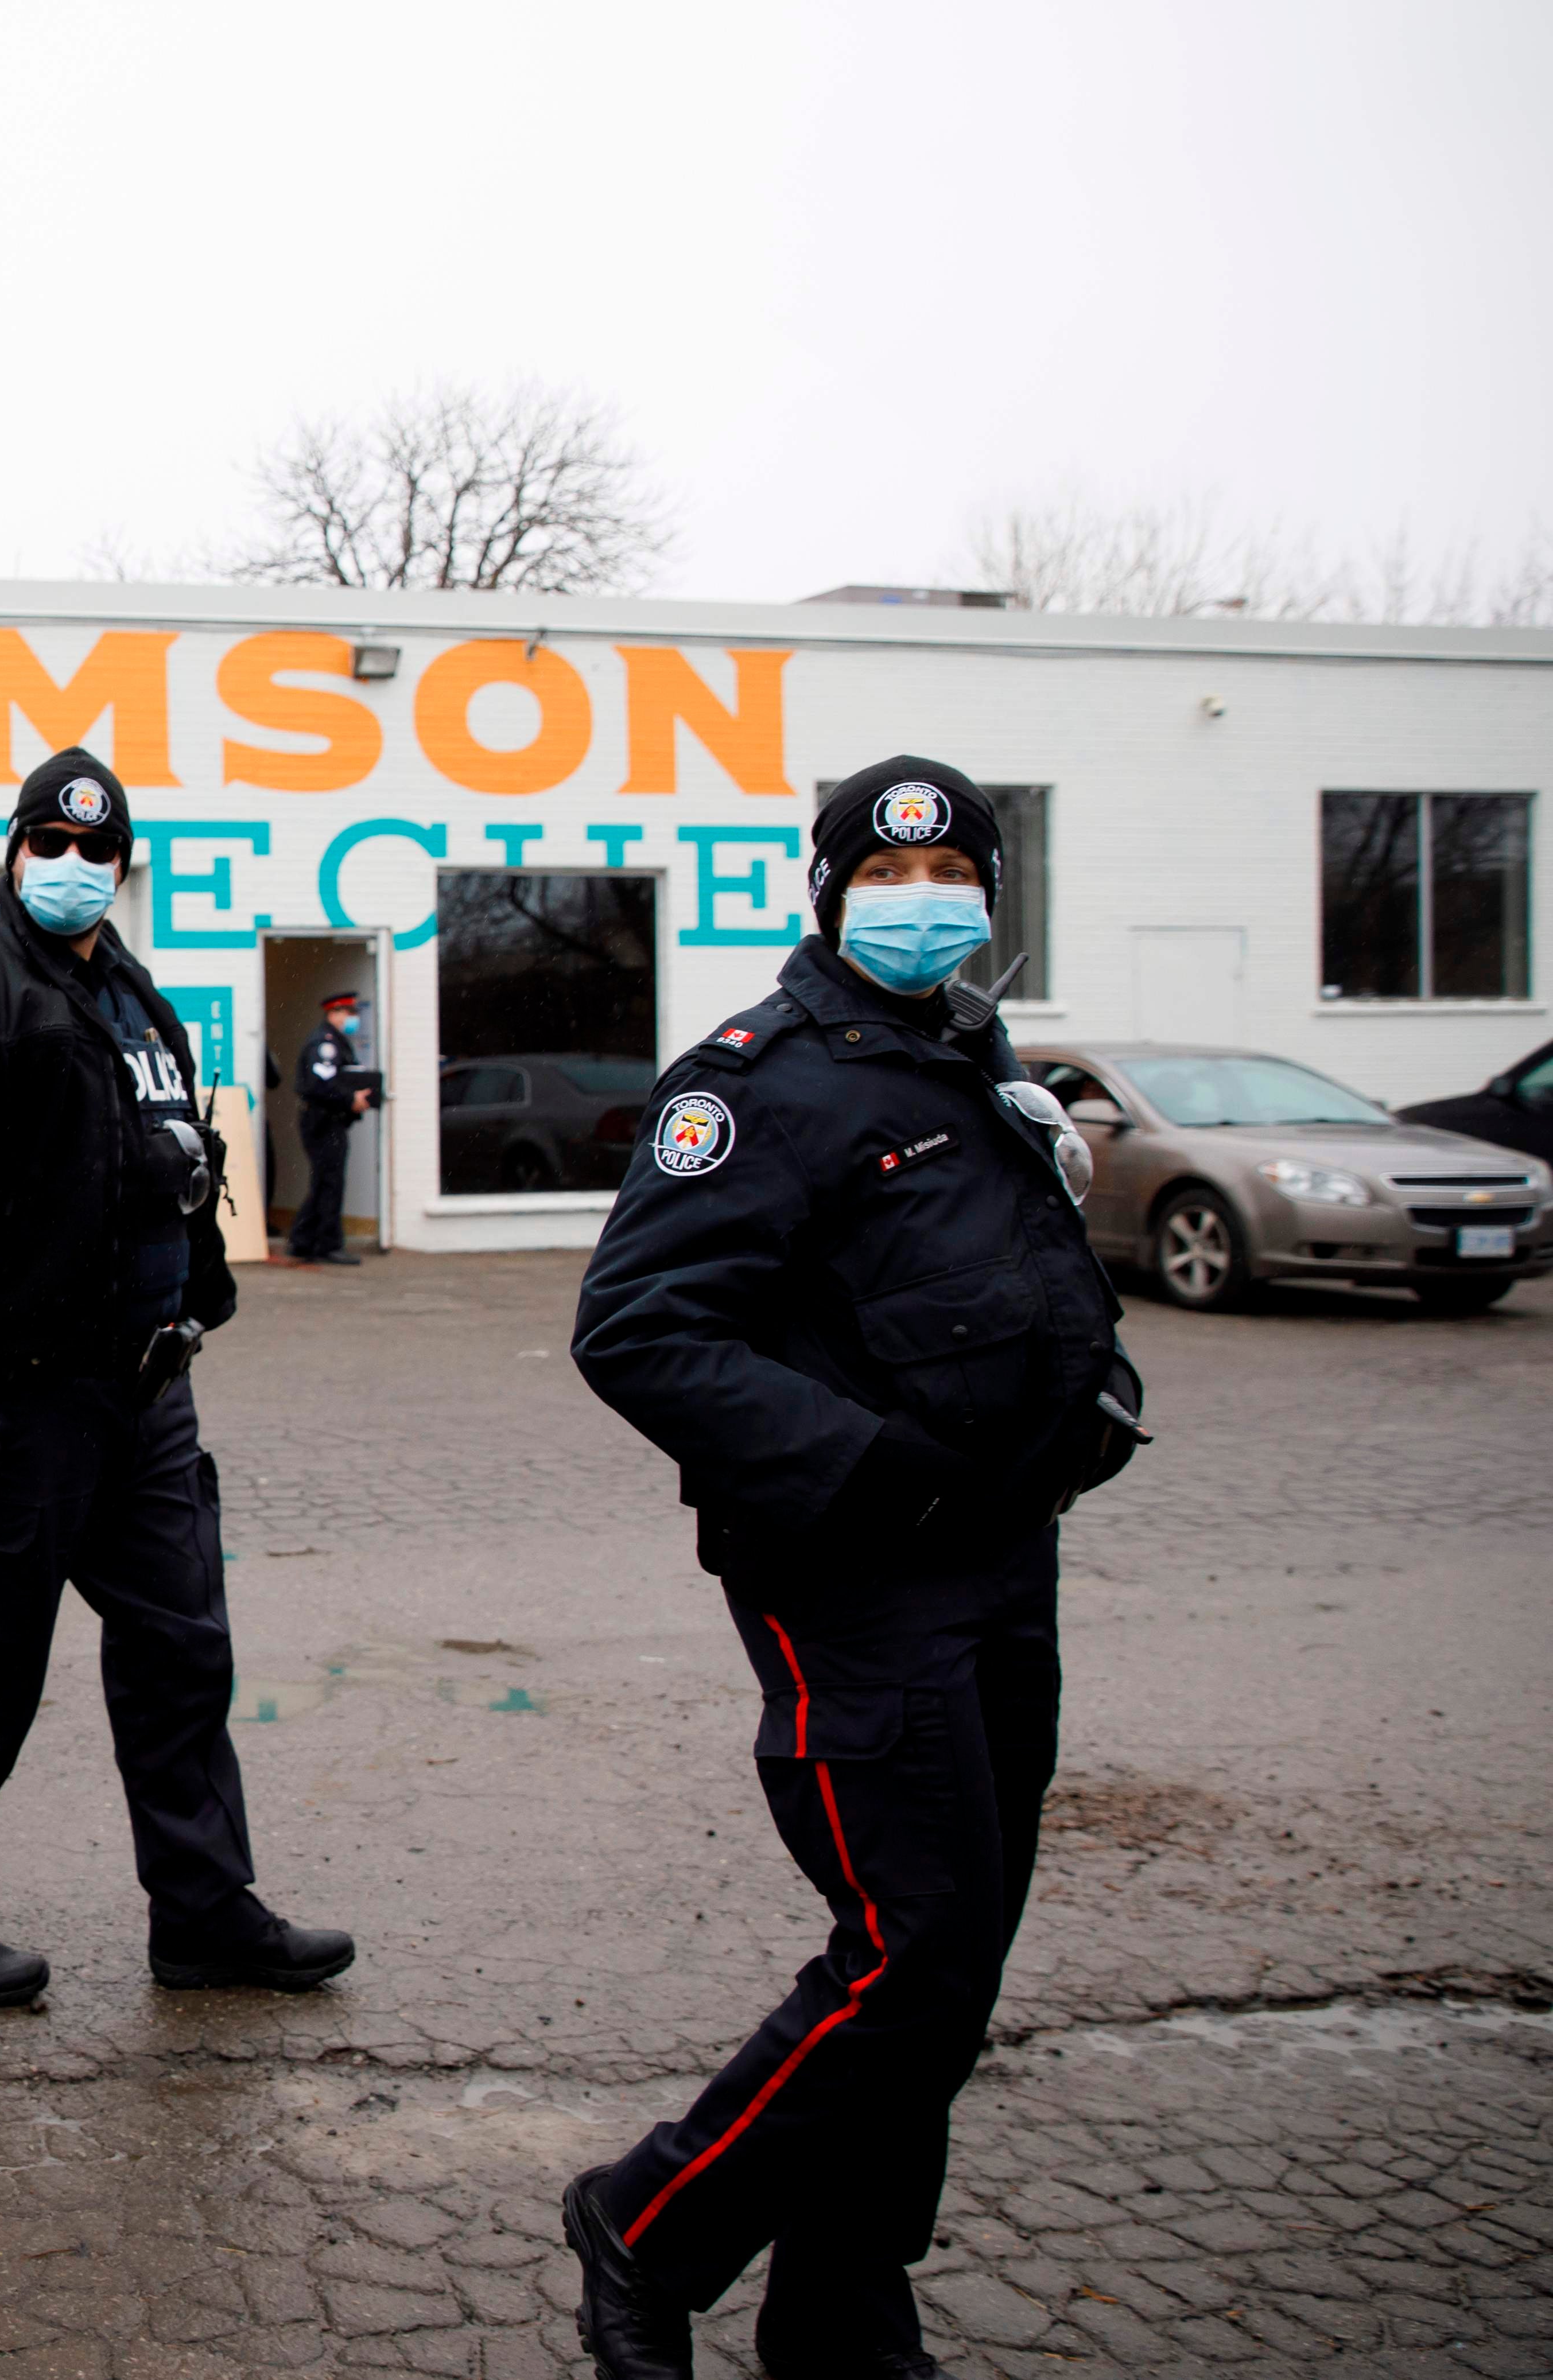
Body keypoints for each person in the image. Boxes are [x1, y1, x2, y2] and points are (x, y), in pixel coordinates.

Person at [557, 759, 1147, 2380]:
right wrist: (869, 1466)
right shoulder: (759, 1081)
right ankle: (644, 2224)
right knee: (913, 1945)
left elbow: (1006, 1275)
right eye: (883, 878)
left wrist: (1090, 1384)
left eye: (950, 870)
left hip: (998, 1567)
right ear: (824, 891)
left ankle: (835, 2295)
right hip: (850, 1579)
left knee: (949, 1971)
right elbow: (635, 1330)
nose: (919, 901)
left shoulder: (963, 1053)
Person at [0, 748, 354, 2008]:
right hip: (22, 1405)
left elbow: (164, 1142)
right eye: (51, 845)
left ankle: (205, 1915)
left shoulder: (130, 992)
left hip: (145, 1395)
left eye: (99, 851)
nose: (75, 868)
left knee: (183, 1654)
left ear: (125, 868)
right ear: (13, 852)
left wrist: (199, 1274)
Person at [285, 991, 378, 1265]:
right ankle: (327, 1244)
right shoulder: (324, 1044)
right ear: (334, 1013)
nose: (354, 1019)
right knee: (330, 1182)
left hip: (329, 1120)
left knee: (325, 1181)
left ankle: (303, 1240)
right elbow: (320, 1085)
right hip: (323, 1121)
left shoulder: (336, 1042)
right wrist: (351, 1100)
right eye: (350, 1013)